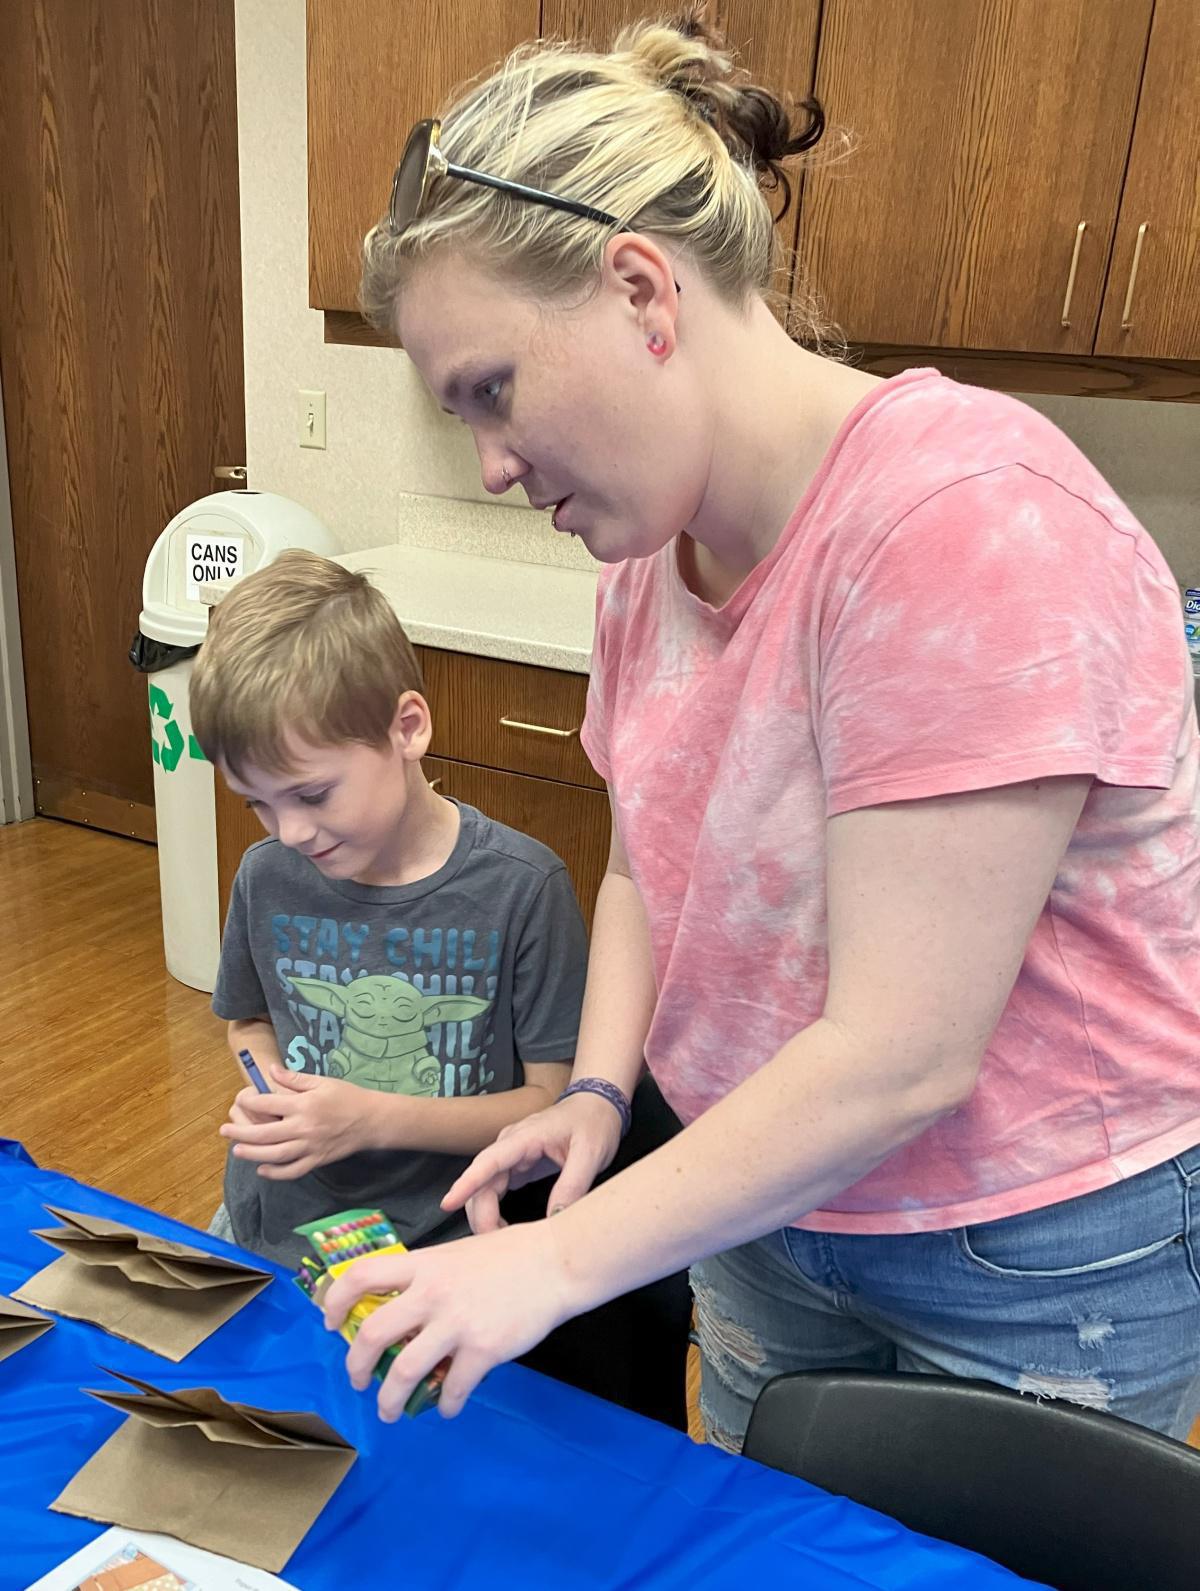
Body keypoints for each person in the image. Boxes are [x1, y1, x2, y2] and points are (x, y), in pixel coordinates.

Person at [322, 9, 1200, 1446]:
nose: (487, 463)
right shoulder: (634, 564)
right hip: (763, 1201)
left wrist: (547, 1259)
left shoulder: (955, 521)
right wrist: (601, 1091)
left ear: (640, 292)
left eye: (493, 390)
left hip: (1031, 1245)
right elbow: (644, 868)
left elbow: (900, 1051)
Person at [189, 549, 691, 1424]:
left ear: (408, 726)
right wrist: (271, 1087)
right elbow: (245, 1018)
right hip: (272, 1230)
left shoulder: (521, 888)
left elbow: (546, 1102)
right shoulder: (267, 876)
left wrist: (370, 1117)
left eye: (312, 792)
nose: (291, 830)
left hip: (440, 1248)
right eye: (259, 805)